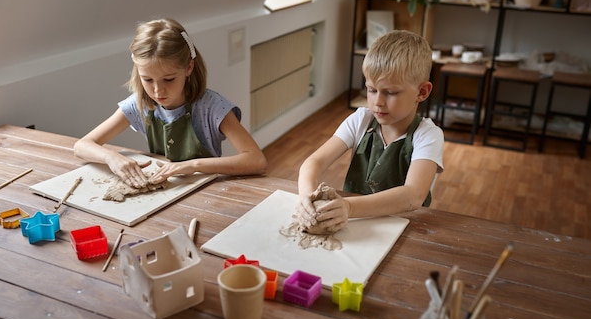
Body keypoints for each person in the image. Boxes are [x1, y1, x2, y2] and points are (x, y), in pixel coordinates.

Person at [74, 18, 267, 188]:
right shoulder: (139, 104)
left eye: (168, 80)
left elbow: (256, 160)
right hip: (165, 190)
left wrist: (192, 166)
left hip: (207, 191)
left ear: (188, 67)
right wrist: (112, 158)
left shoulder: (212, 107)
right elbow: (82, 146)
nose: (158, 91)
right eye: (148, 80)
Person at [296, 29, 444, 233]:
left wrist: (348, 206)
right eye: (372, 90)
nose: (378, 102)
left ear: (422, 92)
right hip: (354, 222)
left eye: (391, 93)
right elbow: (314, 162)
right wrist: (307, 196)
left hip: (404, 228)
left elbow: (412, 196)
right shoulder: (361, 120)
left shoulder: (428, 135)